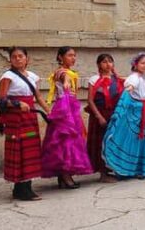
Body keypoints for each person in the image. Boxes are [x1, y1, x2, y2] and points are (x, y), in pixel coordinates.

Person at [0, 46, 50, 201]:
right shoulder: (7, 76)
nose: (18, 59)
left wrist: (49, 111)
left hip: (30, 117)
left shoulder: (33, 77)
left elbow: (38, 97)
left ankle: (26, 186)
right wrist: (17, 104)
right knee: (19, 150)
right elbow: (1, 99)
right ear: (10, 60)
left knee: (30, 150)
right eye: (14, 56)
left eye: (21, 56)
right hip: (15, 118)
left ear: (27, 58)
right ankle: (20, 188)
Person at [41, 46, 93, 189]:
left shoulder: (65, 72)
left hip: (67, 107)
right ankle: (65, 175)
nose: (73, 58)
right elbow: (65, 84)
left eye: (74, 55)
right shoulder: (64, 73)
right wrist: (66, 84)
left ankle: (63, 175)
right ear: (60, 57)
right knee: (66, 140)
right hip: (66, 108)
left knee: (64, 141)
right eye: (70, 55)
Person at [103, 52, 145, 178]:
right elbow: (130, 87)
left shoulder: (143, 78)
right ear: (135, 64)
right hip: (139, 112)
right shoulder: (134, 78)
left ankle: (141, 169)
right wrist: (126, 97)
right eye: (142, 63)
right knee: (135, 140)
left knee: (143, 141)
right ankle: (133, 169)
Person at [86, 53, 123, 183]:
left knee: (113, 142)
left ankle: (113, 168)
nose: (108, 64)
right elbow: (90, 100)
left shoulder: (117, 80)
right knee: (100, 143)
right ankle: (103, 172)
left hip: (114, 114)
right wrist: (99, 117)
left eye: (110, 62)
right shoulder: (94, 79)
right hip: (100, 114)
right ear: (98, 65)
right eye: (104, 62)